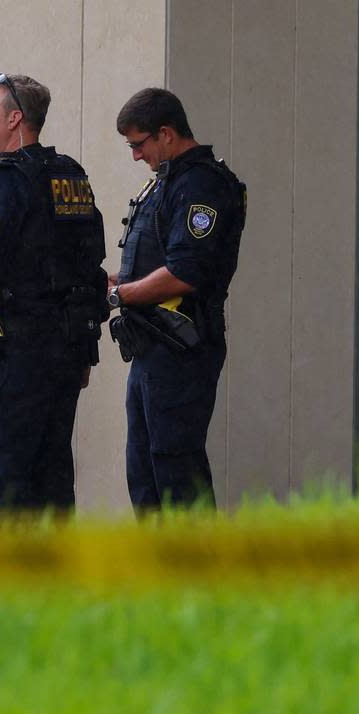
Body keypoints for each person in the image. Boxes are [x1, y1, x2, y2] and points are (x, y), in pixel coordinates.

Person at [0, 73, 107, 528]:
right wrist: (86, 350)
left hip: (10, 363)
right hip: (62, 359)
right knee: (50, 485)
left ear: (14, 119)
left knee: (1, 488)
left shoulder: (4, 183)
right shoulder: (71, 178)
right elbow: (90, 269)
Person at [107, 87, 246, 513]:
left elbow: (187, 271)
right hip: (152, 347)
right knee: (144, 468)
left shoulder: (201, 184)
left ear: (165, 133)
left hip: (181, 348)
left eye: (138, 144)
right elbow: (154, 264)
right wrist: (112, 282)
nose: (135, 156)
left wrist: (119, 294)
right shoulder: (165, 184)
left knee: (175, 470)